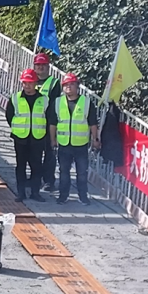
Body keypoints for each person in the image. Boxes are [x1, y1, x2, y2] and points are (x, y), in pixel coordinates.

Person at [50, 73, 98, 205]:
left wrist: (95, 139)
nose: (69, 87)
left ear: (77, 86)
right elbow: (53, 123)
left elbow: (93, 123)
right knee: (64, 172)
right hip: (64, 144)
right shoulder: (58, 102)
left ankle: (83, 196)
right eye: (66, 85)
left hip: (81, 145)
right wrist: (52, 139)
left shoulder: (86, 103)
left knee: (82, 173)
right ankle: (63, 196)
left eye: (72, 84)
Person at [5, 69, 49, 202]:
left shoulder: (44, 99)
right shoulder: (15, 98)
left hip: (37, 138)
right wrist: (18, 128)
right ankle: (21, 193)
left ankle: (35, 193)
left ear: (35, 83)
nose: (27, 85)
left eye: (30, 82)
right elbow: (9, 115)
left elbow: (48, 118)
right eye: (25, 83)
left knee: (37, 166)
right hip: (20, 138)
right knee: (21, 166)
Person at [33, 53, 63, 193]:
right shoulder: (30, 79)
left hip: (48, 124)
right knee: (34, 154)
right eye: (38, 65)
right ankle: (35, 179)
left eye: (43, 65)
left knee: (49, 154)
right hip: (33, 124)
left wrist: (52, 126)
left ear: (48, 66)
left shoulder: (53, 83)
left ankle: (49, 181)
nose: (41, 68)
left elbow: (53, 106)